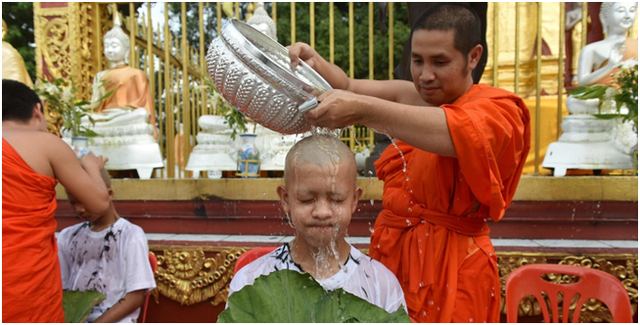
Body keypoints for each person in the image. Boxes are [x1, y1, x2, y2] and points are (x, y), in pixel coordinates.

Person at [288, 3, 530, 322]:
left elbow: (457, 131)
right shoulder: (411, 96)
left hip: (456, 268)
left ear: (473, 57)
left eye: (440, 62)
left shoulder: (498, 110)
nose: (425, 75)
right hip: (394, 258)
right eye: (417, 61)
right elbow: (345, 88)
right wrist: (315, 63)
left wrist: (366, 110)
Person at [228, 135, 406, 314]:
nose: (322, 212)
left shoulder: (379, 284)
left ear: (354, 200)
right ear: (286, 199)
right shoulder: (251, 282)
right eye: (307, 200)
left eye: (336, 200)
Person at [2, 79, 111, 322]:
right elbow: (99, 203)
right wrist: (91, 166)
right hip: (25, 284)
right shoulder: (48, 144)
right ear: (37, 111)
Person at [57, 169, 156, 323]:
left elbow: (135, 297)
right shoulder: (67, 236)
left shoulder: (130, 235)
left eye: (84, 201)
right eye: (72, 202)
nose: (78, 209)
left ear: (109, 194)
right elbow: (61, 290)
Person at [88, 13, 157, 138]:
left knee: (141, 114)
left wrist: (122, 111)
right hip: (105, 114)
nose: (110, 50)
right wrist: (77, 109)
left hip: (125, 115)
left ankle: (106, 125)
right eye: (107, 46)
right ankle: (105, 124)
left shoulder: (136, 74)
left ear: (126, 50)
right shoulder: (100, 75)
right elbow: (96, 104)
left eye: (114, 46)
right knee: (84, 118)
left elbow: (142, 105)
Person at [575, 2, 637, 87]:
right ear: (604, 17)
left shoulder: (636, 45)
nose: (627, 16)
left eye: (632, 10)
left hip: (633, 96)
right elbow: (582, 81)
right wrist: (609, 66)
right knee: (573, 100)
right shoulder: (591, 49)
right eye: (621, 10)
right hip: (604, 96)